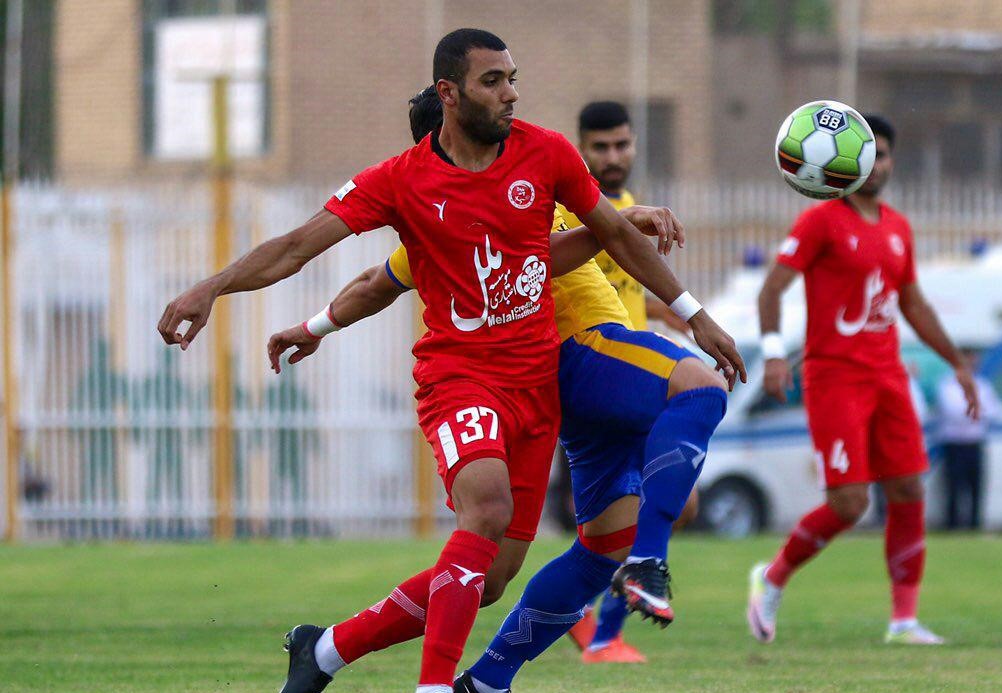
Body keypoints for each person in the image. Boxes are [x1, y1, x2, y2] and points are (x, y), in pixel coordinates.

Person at [157, 29, 744, 693]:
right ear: (449, 94)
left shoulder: (545, 154)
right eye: (493, 81)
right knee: (488, 506)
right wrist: (214, 286)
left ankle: (326, 649)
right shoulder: (403, 182)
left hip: (538, 389)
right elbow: (302, 249)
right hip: (460, 377)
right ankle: (437, 685)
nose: (511, 92)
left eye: (512, 78)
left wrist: (693, 310)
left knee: (490, 579)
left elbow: (573, 246)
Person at [746, 114, 980, 646]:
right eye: (869, 153)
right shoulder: (821, 221)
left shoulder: (898, 228)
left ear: (893, 162)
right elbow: (771, 290)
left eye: (886, 154)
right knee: (850, 503)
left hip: (889, 375)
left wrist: (958, 366)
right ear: (845, 160)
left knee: (908, 488)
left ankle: (903, 620)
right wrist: (776, 356)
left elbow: (913, 304)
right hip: (835, 378)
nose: (877, 164)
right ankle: (773, 576)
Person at [556, 100, 697, 665]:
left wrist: (690, 321)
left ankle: (595, 617)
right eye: (601, 147)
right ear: (581, 148)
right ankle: (600, 630)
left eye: (623, 145)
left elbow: (631, 291)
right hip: (603, 377)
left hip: (642, 373)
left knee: (674, 507)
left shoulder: (633, 209)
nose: (614, 158)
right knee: (622, 519)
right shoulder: (571, 212)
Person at [936, 357, 1001, 529]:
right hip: (954, 444)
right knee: (953, 489)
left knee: (976, 489)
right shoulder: (947, 385)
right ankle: (953, 526)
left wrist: (974, 411)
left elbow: (994, 410)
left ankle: (974, 526)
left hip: (974, 443)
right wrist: (975, 411)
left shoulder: (982, 385)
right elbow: (952, 411)